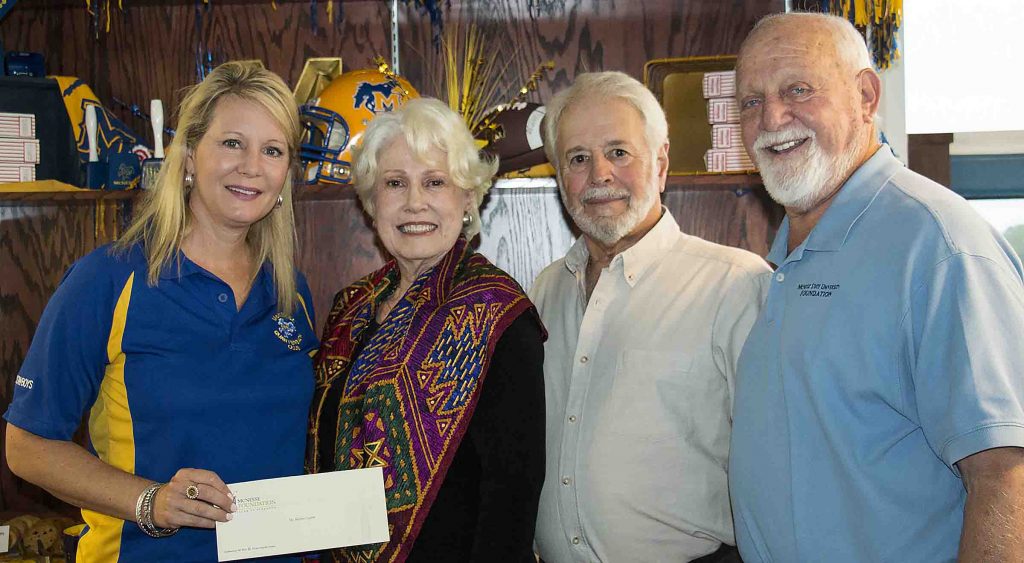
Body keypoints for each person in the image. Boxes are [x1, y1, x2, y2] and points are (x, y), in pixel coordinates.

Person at [728, 12, 1024, 562]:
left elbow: (1007, 476)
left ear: (865, 96)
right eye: (750, 101)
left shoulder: (937, 245)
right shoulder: (790, 255)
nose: (772, 118)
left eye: (798, 89)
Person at [4, 61, 318, 562]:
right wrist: (151, 502)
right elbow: (26, 445)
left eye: (272, 150)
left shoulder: (291, 293)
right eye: (232, 143)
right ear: (190, 156)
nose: (251, 166)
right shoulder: (107, 281)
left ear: (285, 175)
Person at [531, 71, 771, 562]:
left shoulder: (736, 285)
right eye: (578, 158)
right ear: (559, 178)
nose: (599, 174)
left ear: (660, 163)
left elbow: (781, 467)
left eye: (619, 152)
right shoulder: (543, 290)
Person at [308, 97, 545, 563]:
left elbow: (513, 495)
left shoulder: (498, 313)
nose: (415, 201)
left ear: (468, 200)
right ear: (372, 203)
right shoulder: (349, 310)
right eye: (395, 183)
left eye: (435, 182)